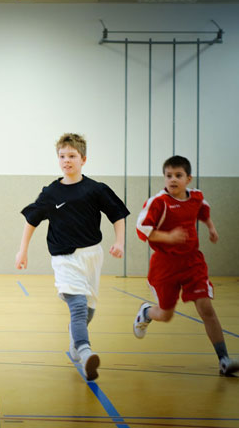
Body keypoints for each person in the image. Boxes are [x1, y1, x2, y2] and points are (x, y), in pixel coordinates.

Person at [15, 133, 129, 381]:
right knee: (77, 306)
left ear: (83, 159)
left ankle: (75, 341)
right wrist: (22, 249)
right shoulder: (51, 192)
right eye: (62, 156)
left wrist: (119, 242)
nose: (66, 161)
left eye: (72, 156)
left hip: (92, 256)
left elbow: (118, 215)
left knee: (88, 311)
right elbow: (31, 221)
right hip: (64, 258)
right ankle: (87, 353)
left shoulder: (96, 189)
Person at [133, 155, 239, 376]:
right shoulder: (159, 202)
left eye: (178, 176)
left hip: (192, 263)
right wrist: (168, 237)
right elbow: (142, 227)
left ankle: (224, 359)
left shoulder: (196, 198)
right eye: (168, 175)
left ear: (188, 179)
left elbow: (203, 209)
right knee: (166, 314)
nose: (172, 180)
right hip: (165, 266)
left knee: (206, 308)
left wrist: (211, 227)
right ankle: (146, 312)